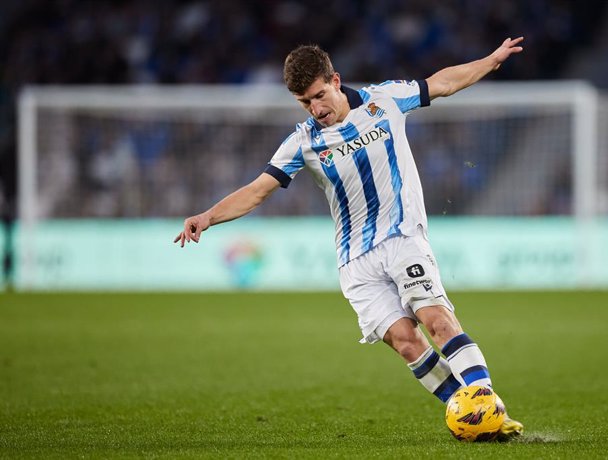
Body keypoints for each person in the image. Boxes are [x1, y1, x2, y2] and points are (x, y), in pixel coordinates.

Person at [175, 37, 525, 440]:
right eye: (305, 103)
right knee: (406, 343)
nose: (317, 109)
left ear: (336, 81)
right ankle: (468, 415)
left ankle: (489, 410)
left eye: (320, 96)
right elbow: (257, 190)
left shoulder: (385, 100)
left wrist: (491, 60)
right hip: (355, 261)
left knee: (437, 322)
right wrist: (208, 216)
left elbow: (442, 83)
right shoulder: (303, 142)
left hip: (401, 238)